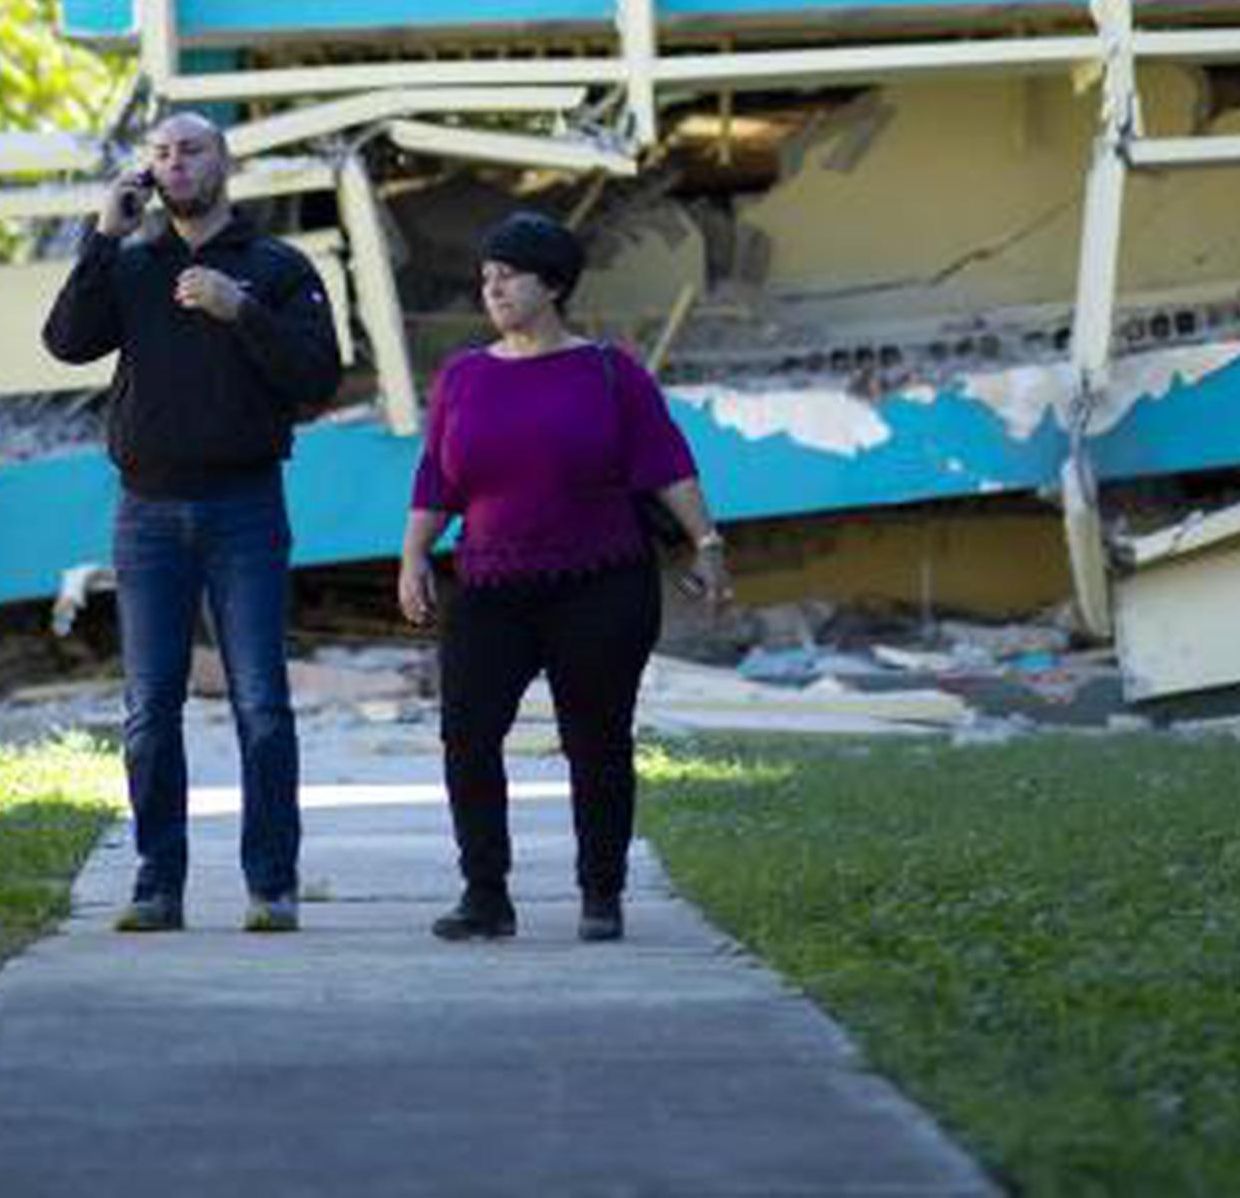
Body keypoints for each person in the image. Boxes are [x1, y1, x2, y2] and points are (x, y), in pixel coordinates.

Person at [43, 110, 341, 934]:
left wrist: (240, 309)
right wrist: (103, 237)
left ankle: (271, 885)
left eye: (193, 150)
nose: (176, 165)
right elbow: (67, 342)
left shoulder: (277, 267)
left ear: (226, 163)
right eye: (163, 154)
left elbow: (319, 377)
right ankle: (156, 882)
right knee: (148, 708)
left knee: (262, 704)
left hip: (246, 507)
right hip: (146, 511)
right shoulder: (133, 267)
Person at [398, 208, 728, 944]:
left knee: (597, 739)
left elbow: (667, 463)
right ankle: (486, 894)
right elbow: (437, 476)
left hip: (601, 581)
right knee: (468, 734)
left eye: (508, 276)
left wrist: (707, 542)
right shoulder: (464, 377)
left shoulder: (612, 373)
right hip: (489, 583)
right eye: (486, 278)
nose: (494, 290)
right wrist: (414, 553)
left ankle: (601, 895)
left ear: (552, 284)